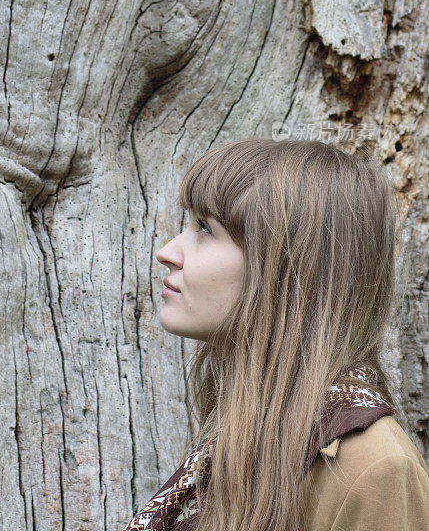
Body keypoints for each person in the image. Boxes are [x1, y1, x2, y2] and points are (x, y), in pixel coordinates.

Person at [121, 137, 429, 531]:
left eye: (204, 228)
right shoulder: (251, 432)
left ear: (284, 265)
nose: (167, 251)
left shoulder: (373, 467)